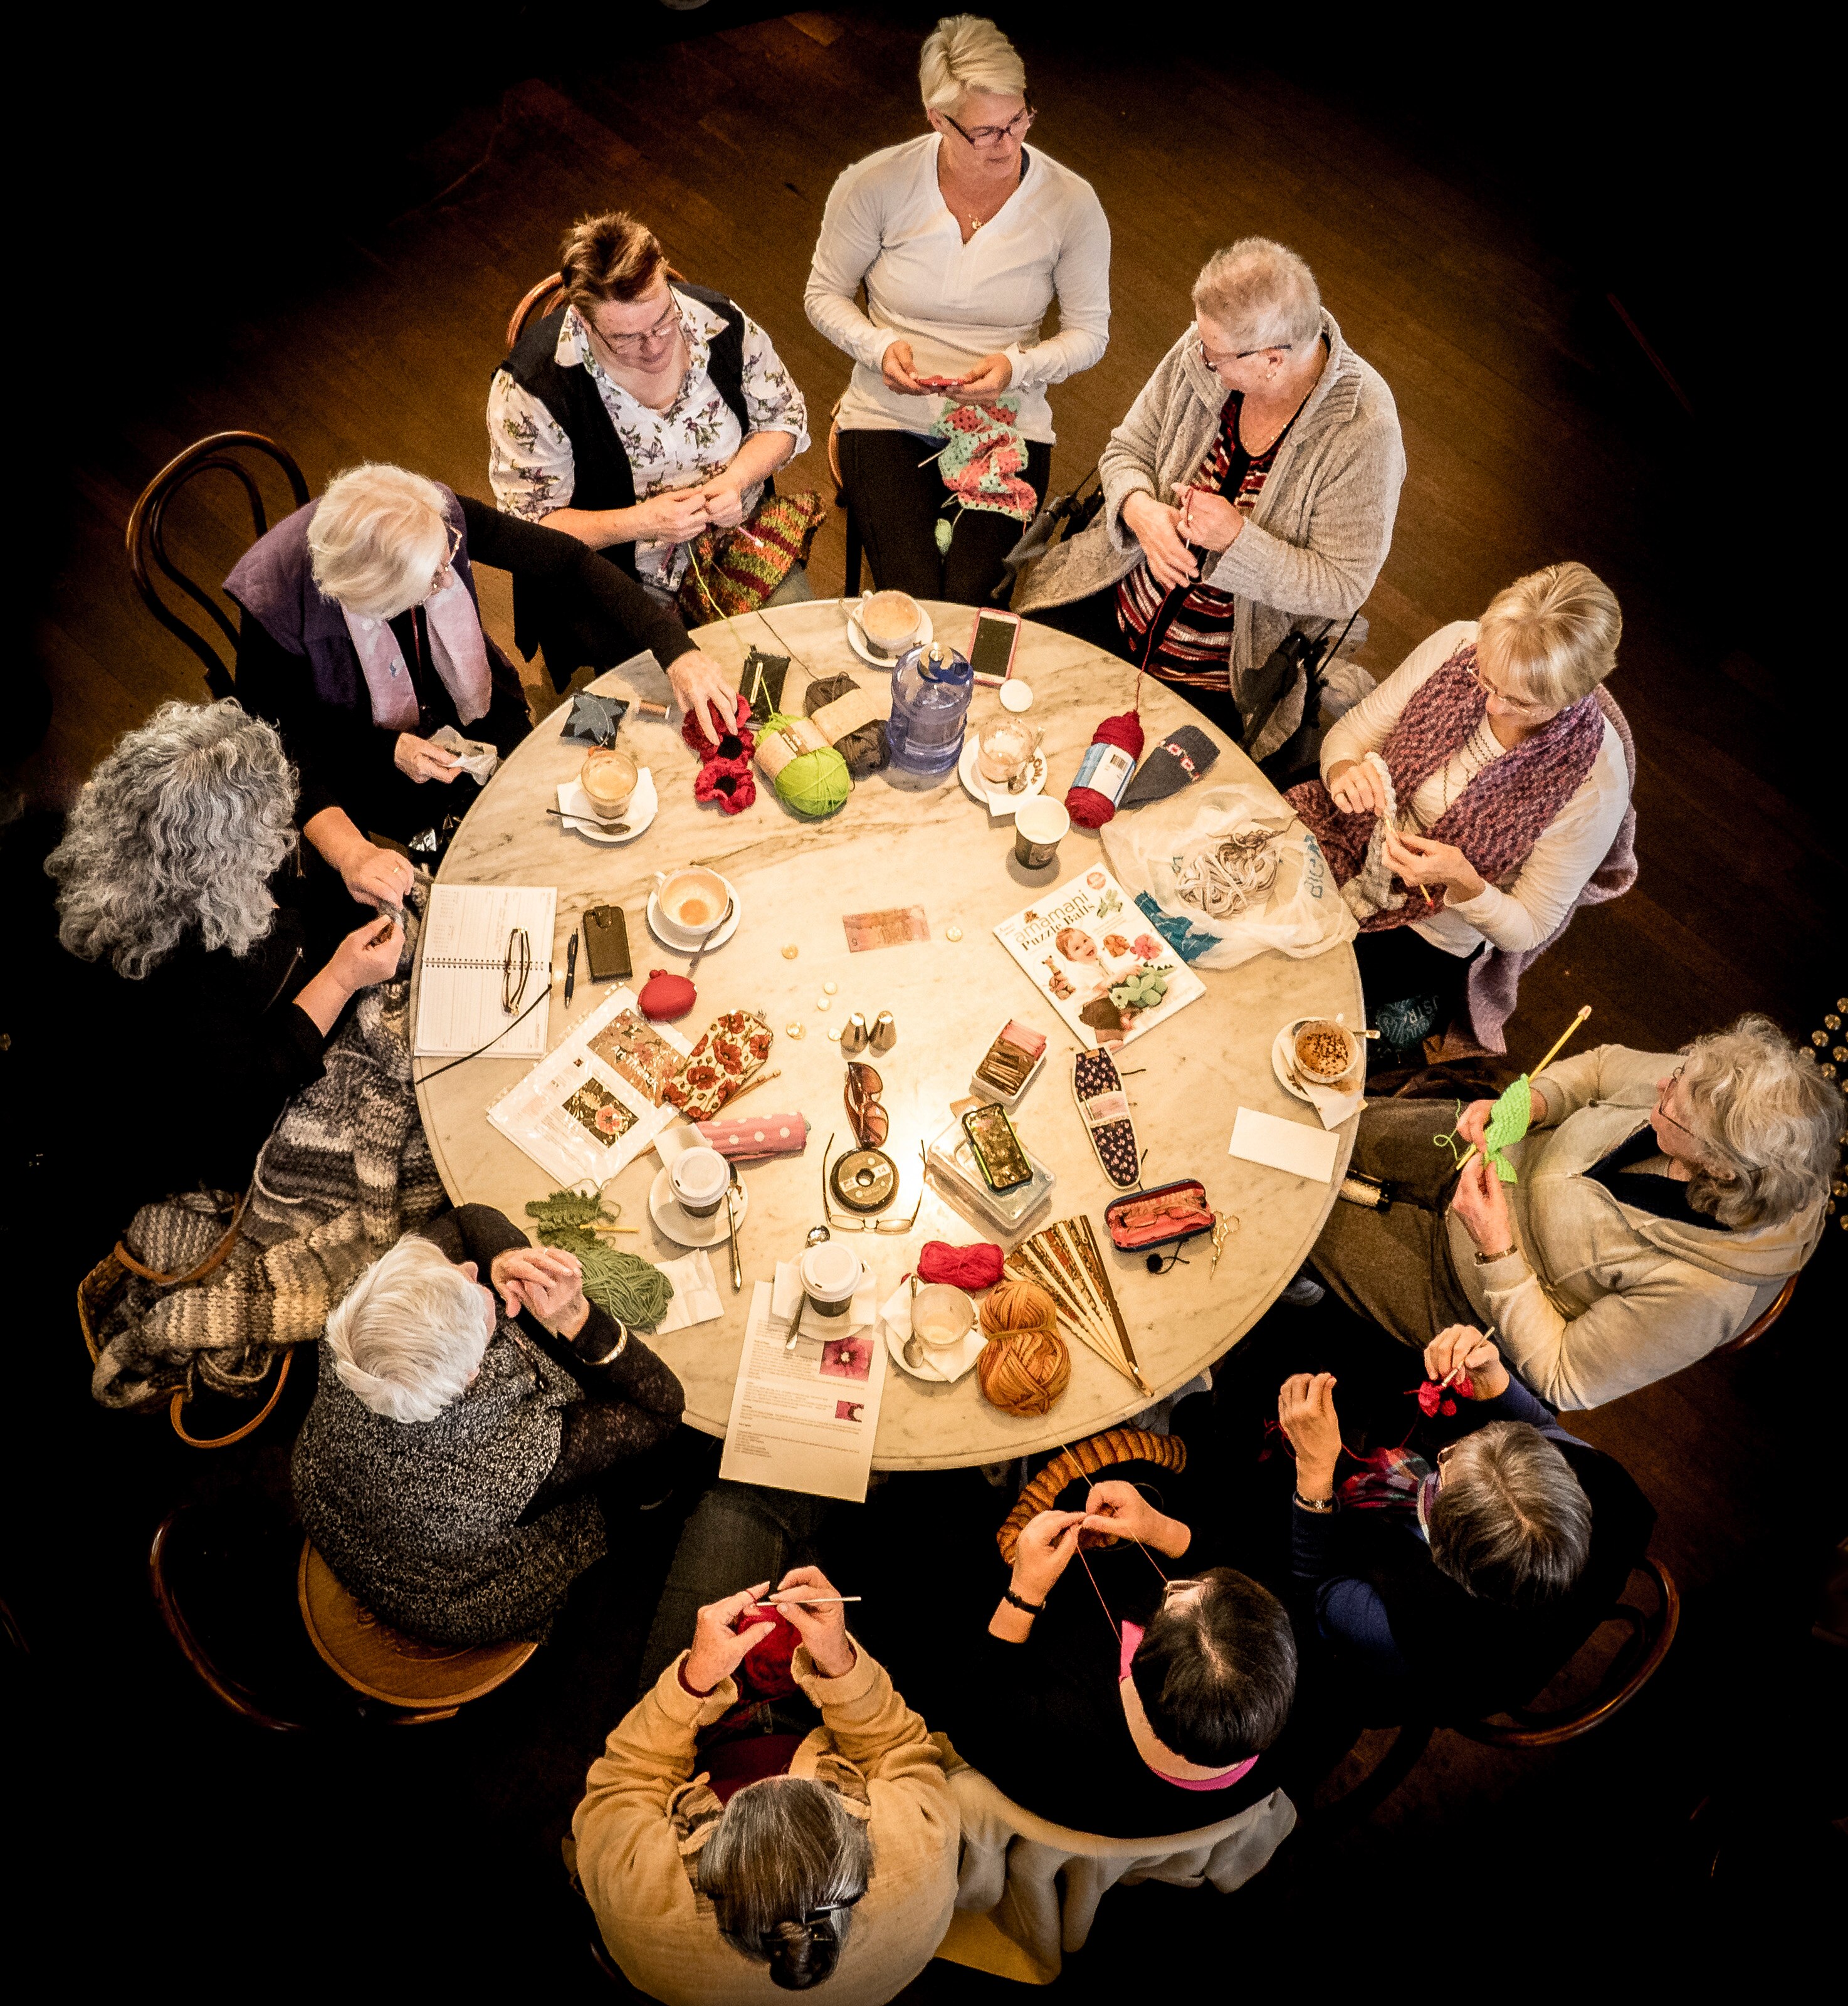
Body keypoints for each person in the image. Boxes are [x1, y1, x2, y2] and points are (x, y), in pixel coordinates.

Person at [1308, 1019, 1842, 1409]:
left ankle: (1300, 1285)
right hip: (1494, 1146)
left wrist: (1498, 1250)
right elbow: (1602, 1068)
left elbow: (1564, 1377)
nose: (1662, 1086)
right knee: (1321, 1122)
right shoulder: (1714, 1089)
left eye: (1675, 1106)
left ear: (1722, 1170)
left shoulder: (1707, 1296)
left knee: (1300, 1234)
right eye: (1678, 1073)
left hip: (1459, 1282)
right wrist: (1527, 1106)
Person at [1016, 237, 1404, 761]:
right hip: (1112, 600)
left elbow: (1343, 586)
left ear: (1271, 360)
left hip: (1218, 679)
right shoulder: (1211, 346)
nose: (1198, 358)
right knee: (1011, 712)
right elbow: (1125, 450)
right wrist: (1139, 511)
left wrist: (1237, 541)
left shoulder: (1363, 432)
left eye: (1215, 357)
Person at [228, 461, 707, 853]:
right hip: (358, 748)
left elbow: (571, 561)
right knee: (487, 851)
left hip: (468, 696)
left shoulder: (426, 512)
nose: (447, 581)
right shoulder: (275, 599)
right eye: (431, 584)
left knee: (556, 787)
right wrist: (385, 749)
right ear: (369, 602)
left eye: (445, 563)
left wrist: (675, 650)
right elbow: (277, 742)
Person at [45, 700, 404, 1217]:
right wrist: (343, 979)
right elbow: (249, 1099)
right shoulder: (176, 981)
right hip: (239, 1128)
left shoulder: (183, 829)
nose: (284, 832)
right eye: (268, 829)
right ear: (219, 862)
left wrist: (352, 853)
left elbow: (296, 773)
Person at [805, 13, 1110, 606]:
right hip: (888, 413)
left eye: (1020, 118)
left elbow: (1089, 334)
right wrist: (877, 347)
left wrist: (1015, 369)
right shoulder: (875, 184)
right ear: (936, 120)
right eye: (988, 131)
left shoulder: (1071, 203)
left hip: (1008, 418)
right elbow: (823, 294)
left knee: (975, 601)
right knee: (912, 597)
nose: (1012, 141)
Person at [290, 1203, 684, 1646]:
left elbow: (462, 1221)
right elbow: (661, 1408)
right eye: (474, 1285)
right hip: (452, 1594)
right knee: (639, 1474)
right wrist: (576, 1317)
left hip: (337, 1502)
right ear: (473, 1373)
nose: (470, 1266)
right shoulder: (504, 1458)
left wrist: (502, 1259)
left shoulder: (357, 1321)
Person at [1287, 563, 1635, 1059]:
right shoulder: (1458, 647)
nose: (1491, 706)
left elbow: (1531, 926)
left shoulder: (1594, 784)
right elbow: (1354, 734)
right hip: (1349, 833)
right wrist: (1345, 770)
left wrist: (1464, 882)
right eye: (1486, 679)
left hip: (1426, 925)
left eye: (1518, 701)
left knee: (1296, 983)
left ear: (1576, 695)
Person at [490, 209, 810, 736]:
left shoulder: (718, 323)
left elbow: (786, 420)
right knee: (644, 735)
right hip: (615, 577)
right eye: (627, 338)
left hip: (738, 542)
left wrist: (735, 481)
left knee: (785, 676)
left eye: (663, 320)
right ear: (584, 321)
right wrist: (642, 523)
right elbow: (529, 529)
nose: (657, 346)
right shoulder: (533, 387)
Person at [572, 1568, 958, 2003]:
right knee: (825, 1573)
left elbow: (627, 1778)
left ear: (707, 1864)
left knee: (734, 1516)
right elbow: (895, 1745)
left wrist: (694, 1680)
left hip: (694, 1747)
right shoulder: (921, 1850)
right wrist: (838, 1662)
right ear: (850, 1830)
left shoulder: (639, 1902)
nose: (776, 1773)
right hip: (818, 1724)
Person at [1278, 1327, 1654, 1718]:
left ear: (1440, 1547)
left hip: (1431, 1667)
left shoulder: (1399, 1625)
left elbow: (1316, 1590)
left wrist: (1315, 1471)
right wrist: (1497, 1384)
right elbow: (1546, 1429)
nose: (1446, 1449)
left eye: (1446, 1463)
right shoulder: (1610, 1491)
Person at [944, 1479, 1297, 1837]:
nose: (1175, 1583)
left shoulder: (1063, 1744)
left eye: (1173, 1597)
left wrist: (1024, 1591)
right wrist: (1159, 1528)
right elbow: (1258, 1572)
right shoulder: (1292, 1699)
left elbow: (972, 1711)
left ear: (1138, 1667)